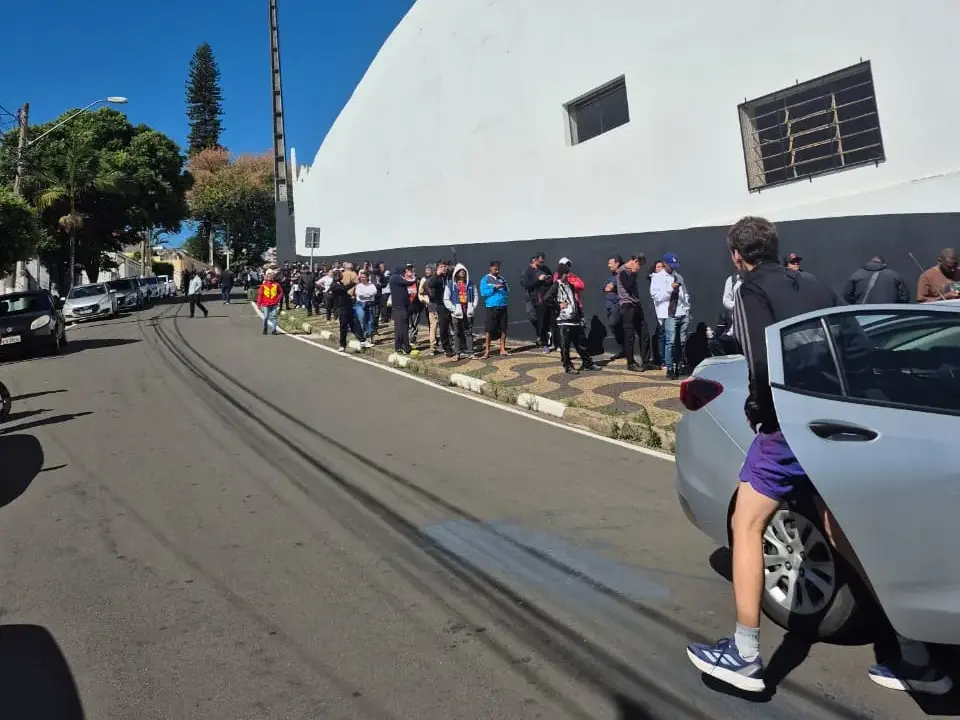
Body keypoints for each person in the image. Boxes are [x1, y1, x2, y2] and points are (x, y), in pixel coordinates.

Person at [686, 216, 952, 696]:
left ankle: (745, 655)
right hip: (840, 417)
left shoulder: (749, 289)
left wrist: (761, 409)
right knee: (844, 532)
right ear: (777, 246)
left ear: (735, 254)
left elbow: (761, 358)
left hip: (791, 421)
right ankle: (918, 658)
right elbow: (852, 341)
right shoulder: (811, 282)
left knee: (746, 524)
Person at [544, 259, 598, 374]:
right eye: (565, 274)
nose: (567, 276)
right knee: (565, 345)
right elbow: (547, 299)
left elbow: (575, 300)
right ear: (561, 274)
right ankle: (567, 366)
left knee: (581, 343)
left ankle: (587, 362)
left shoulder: (570, 286)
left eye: (568, 274)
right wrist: (558, 305)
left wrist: (580, 315)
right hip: (563, 320)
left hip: (574, 319)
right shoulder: (556, 286)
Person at [649, 253, 690, 379]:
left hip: (682, 312)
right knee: (670, 341)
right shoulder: (658, 277)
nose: (673, 268)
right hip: (669, 313)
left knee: (681, 342)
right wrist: (670, 289)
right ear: (665, 263)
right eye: (670, 265)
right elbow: (655, 296)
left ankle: (679, 365)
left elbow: (685, 293)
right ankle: (670, 368)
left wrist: (688, 308)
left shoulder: (677, 276)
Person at [616, 254, 651, 372]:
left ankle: (646, 361)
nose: (639, 267)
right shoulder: (622, 271)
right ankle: (630, 363)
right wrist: (634, 272)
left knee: (644, 332)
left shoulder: (629, 271)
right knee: (629, 335)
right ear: (635, 261)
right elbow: (628, 285)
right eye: (639, 265)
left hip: (636, 305)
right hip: (627, 306)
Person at [443, 263, 478, 360]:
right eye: (459, 271)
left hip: (468, 312)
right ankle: (457, 353)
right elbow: (446, 299)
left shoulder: (471, 284)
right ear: (456, 273)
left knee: (468, 332)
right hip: (456, 313)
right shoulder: (450, 284)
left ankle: (471, 353)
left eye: (463, 271)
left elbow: (475, 295)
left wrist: (473, 307)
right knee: (457, 333)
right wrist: (453, 309)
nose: (462, 272)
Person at [520, 254, 555, 351]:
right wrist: (538, 280)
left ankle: (545, 342)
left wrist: (548, 279)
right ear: (534, 260)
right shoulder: (528, 271)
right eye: (540, 261)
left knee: (544, 320)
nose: (542, 263)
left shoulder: (545, 269)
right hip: (532, 298)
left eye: (543, 261)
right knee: (533, 317)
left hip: (543, 299)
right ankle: (541, 336)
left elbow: (551, 281)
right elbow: (525, 283)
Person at [843, 256, 910, 305]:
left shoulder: (857, 274)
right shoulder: (894, 275)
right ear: (884, 264)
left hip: (863, 313)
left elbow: (847, 296)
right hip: (889, 314)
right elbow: (904, 298)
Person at [479, 260, 509, 358]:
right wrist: (494, 288)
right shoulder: (485, 279)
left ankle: (502, 349)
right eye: (495, 269)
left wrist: (504, 288)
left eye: (498, 269)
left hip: (503, 306)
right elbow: (483, 293)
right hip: (492, 307)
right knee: (489, 330)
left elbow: (507, 290)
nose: (497, 271)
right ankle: (487, 351)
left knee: (503, 329)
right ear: (490, 268)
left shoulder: (502, 279)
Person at [427, 260, 453, 356]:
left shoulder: (449, 276)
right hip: (441, 305)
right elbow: (430, 284)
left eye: (445, 266)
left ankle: (460, 346)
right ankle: (447, 348)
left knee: (456, 326)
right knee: (443, 327)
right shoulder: (437, 278)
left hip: (453, 304)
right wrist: (438, 274)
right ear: (437, 268)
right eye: (441, 266)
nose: (444, 268)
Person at [389, 264, 417, 354]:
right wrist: (414, 278)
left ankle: (399, 346)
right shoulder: (396, 277)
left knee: (400, 327)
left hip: (400, 307)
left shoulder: (395, 277)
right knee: (403, 327)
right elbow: (409, 283)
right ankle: (405, 347)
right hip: (400, 307)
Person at [604, 256, 625, 359]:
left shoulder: (621, 274)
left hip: (617, 305)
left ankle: (625, 348)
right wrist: (607, 287)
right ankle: (622, 349)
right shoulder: (610, 276)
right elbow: (604, 287)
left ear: (617, 263)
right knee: (615, 328)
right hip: (609, 306)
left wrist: (613, 286)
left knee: (613, 324)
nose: (608, 265)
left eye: (610, 263)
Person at [354, 269, 378, 346]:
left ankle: (370, 336)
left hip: (370, 304)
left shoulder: (372, 285)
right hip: (360, 304)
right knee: (362, 319)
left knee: (370, 321)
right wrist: (368, 294)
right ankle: (363, 337)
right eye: (361, 277)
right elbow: (359, 295)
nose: (363, 279)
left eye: (364, 277)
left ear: (367, 277)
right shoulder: (358, 286)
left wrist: (366, 294)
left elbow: (374, 293)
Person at [256, 269, 283, 334]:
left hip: (274, 303)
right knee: (265, 317)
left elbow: (281, 292)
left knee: (274, 316)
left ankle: (274, 330)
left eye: (271, 276)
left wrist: (277, 299)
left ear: (273, 277)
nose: (270, 277)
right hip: (265, 304)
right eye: (268, 276)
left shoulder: (276, 284)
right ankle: (265, 328)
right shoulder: (263, 286)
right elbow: (260, 295)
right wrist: (258, 304)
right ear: (266, 277)